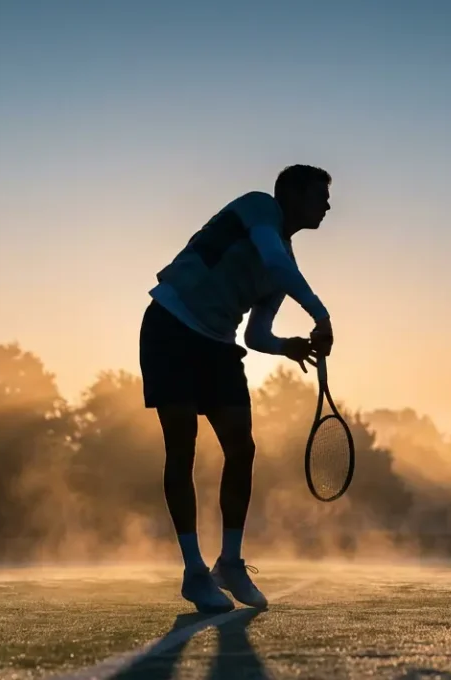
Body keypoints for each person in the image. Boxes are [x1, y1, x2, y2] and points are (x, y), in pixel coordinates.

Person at [139, 164, 335, 612]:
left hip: (218, 344)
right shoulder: (258, 208)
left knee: (242, 450)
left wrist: (288, 346)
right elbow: (270, 260)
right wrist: (321, 316)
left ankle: (229, 562)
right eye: (319, 195)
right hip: (170, 325)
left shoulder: (284, 262)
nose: (327, 205)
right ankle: (194, 572)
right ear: (289, 195)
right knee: (181, 448)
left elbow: (255, 334)